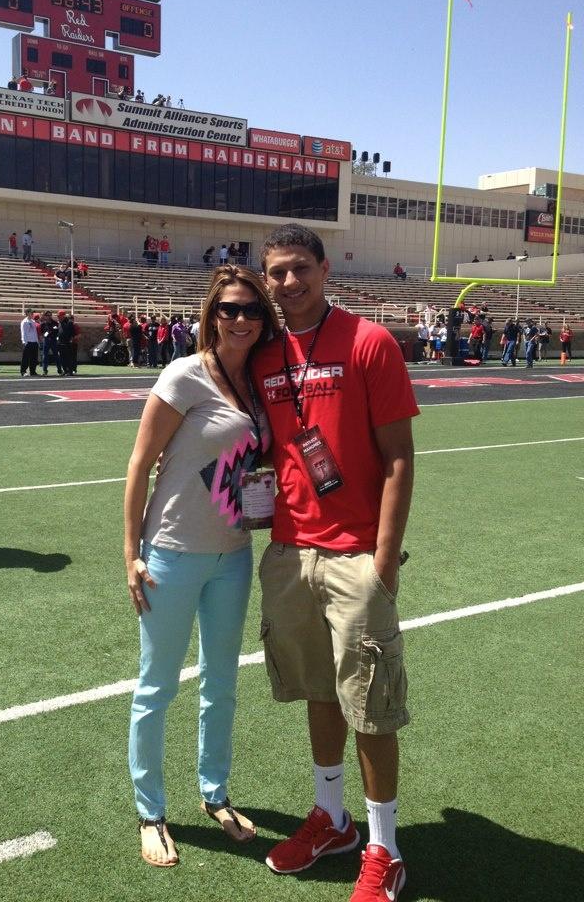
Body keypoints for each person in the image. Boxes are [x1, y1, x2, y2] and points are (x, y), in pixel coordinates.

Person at [252, 224, 417, 901]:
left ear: (324, 269)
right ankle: (333, 818)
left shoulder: (368, 341)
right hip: (291, 552)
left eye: (299, 269)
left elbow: (399, 457)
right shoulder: (262, 355)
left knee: (372, 708)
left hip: (355, 554)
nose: (288, 283)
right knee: (318, 690)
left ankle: (386, 848)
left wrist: (382, 558)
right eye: (277, 274)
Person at [125, 263, 279, 867]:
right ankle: (150, 810)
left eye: (250, 310)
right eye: (228, 309)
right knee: (156, 686)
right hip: (171, 551)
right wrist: (131, 555)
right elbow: (140, 465)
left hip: (233, 554)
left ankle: (214, 794)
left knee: (222, 683)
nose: (239, 320)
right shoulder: (185, 375)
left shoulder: (260, 382)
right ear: (210, 315)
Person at [40, 311, 62, 376]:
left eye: (50, 315)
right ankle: (45, 371)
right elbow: (42, 333)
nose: (49, 316)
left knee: (56, 356)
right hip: (46, 341)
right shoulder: (43, 324)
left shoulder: (55, 323)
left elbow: (58, 332)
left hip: (53, 341)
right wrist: (45, 335)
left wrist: (57, 338)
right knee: (45, 356)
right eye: (48, 315)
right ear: (45, 316)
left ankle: (59, 370)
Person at [20, 308, 39, 376]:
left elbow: (35, 332)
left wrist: (37, 341)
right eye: (31, 313)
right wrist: (24, 342)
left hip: (34, 342)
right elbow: (23, 333)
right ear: (27, 313)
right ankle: (23, 371)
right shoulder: (24, 322)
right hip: (28, 342)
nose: (32, 314)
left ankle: (33, 371)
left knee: (34, 358)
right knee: (26, 357)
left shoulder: (33, 321)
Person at [57, 310, 75, 375]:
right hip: (60, 343)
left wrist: (71, 340)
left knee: (68, 357)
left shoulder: (69, 323)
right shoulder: (59, 323)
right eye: (58, 316)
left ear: (63, 316)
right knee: (62, 358)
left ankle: (70, 371)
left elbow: (73, 333)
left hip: (67, 343)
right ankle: (65, 370)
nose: (58, 317)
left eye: (60, 316)